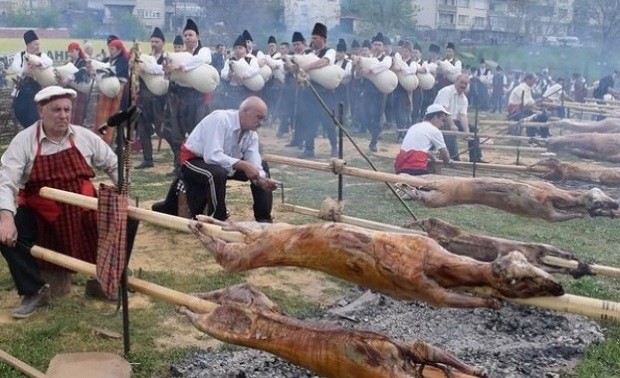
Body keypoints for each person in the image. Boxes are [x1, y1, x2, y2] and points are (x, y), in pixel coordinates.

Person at [0, 86, 118, 319]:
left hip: (83, 209)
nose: (63, 115)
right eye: (56, 110)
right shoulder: (24, 142)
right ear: (40, 111)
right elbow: (6, 182)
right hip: (43, 213)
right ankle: (34, 290)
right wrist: (5, 217)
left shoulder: (84, 137)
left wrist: (123, 192)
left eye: (67, 110)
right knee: (4, 231)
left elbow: (113, 163)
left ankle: (103, 282)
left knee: (125, 219)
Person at [177, 96, 278, 222]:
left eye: (264, 119)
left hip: (222, 164)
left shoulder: (252, 134)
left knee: (263, 166)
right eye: (259, 117)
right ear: (245, 111)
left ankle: (263, 219)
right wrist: (243, 165)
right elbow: (212, 156)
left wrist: (261, 178)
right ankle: (217, 218)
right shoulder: (220, 119)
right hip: (194, 160)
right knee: (217, 173)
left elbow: (254, 160)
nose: (261, 123)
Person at [164, 18, 212, 175]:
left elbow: (202, 60)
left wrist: (181, 66)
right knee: (176, 132)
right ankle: (179, 165)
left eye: (190, 35)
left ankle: (197, 165)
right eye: (185, 35)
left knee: (196, 132)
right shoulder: (181, 54)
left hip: (197, 98)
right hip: (180, 97)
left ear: (197, 36)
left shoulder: (203, 51)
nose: (187, 38)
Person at [296, 22, 338, 158]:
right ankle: (309, 150)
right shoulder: (308, 53)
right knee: (309, 121)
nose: (313, 40)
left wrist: (307, 67)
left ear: (323, 39)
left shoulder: (330, 52)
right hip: (309, 93)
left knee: (328, 122)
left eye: (315, 38)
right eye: (312, 38)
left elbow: (324, 62)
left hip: (325, 93)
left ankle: (334, 146)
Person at [135, 27, 167, 169]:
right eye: (152, 41)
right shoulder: (146, 58)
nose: (154, 44)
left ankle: (178, 160)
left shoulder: (167, 58)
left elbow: (164, 71)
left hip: (160, 101)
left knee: (164, 130)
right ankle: (148, 159)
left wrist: (147, 68)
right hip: (144, 99)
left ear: (163, 43)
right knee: (143, 129)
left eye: (157, 41)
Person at [10, 30, 53, 127]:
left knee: (34, 114)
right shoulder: (20, 55)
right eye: (35, 44)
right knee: (19, 111)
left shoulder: (42, 56)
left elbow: (50, 62)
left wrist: (39, 63)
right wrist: (24, 71)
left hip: (36, 89)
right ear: (29, 44)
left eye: (38, 44)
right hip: (22, 89)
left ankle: (33, 132)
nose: (38, 47)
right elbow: (15, 67)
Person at [394, 103, 451, 175]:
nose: (442, 124)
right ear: (435, 117)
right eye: (443, 120)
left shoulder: (415, 126)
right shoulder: (435, 131)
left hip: (400, 164)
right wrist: (448, 162)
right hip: (416, 167)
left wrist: (432, 158)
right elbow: (445, 155)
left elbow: (417, 148)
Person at [92, 37, 129, 145]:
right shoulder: (110, 60)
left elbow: (116, 72)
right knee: (103, 116)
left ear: (119, 50)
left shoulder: (123, 60)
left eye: (112, 49)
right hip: (107, 92)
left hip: (119, 92)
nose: (110, 51)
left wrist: (103, 70)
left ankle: (111, 141)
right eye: (110, 49)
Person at [433, 74, 470, 161]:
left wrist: (467, 132)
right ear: (456, 82)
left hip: (452, 120)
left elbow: (463, 116)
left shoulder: (464, 98)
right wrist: (452, 125)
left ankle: (476, 158)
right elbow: (444, 111)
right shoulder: (446, 91)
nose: (463, 85)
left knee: (474, 130)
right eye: (461, 82)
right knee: (451, 128)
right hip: (438, 119)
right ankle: (453, 157)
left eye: (465, 84)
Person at [221, 33, 260, 108]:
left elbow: (256, 68)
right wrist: (228, 74)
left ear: (245, 49)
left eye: (240, 48)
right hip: (232, 90)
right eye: (235, 48)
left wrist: (247, 74)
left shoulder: (250, 59)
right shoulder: (230, 60)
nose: (237, 50)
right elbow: (223, 73)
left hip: (246, 90)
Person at [58, 41, 92, 126]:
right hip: (70, 92)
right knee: (69, 115)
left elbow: (82, 72)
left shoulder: (83, 62)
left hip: (80, 92)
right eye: (69, 52)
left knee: (77, 117)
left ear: (78, 51)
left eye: (72, 51)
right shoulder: (69, 63)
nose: (70, 54)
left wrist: (69, 78)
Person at [507, 72, 550, 137]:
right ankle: (532, 137)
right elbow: (526, 105)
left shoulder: (528, 89)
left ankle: (543, 137)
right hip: (517, 112)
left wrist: (539, 109)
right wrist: (536, 110)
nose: (534, 83)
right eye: (533, 81)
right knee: (537, 117)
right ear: (527, 79)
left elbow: (531, 103)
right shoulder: (521, 88)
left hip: (524, 111)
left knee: (544, 115)